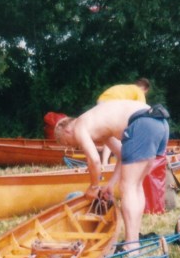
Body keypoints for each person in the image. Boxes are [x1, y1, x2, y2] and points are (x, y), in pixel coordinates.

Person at [54, 100, 169, 246]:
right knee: (135, 185)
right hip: (159, 122)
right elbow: (121, 155)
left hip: (142, 123)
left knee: (128, 187)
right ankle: (134, 241)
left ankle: (131, 246)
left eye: (68, 143)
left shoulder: (78, 127)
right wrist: (110, 184)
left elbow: (95, 160)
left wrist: (94, 187)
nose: (73, 147)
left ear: (67, 131)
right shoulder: (100, 126)